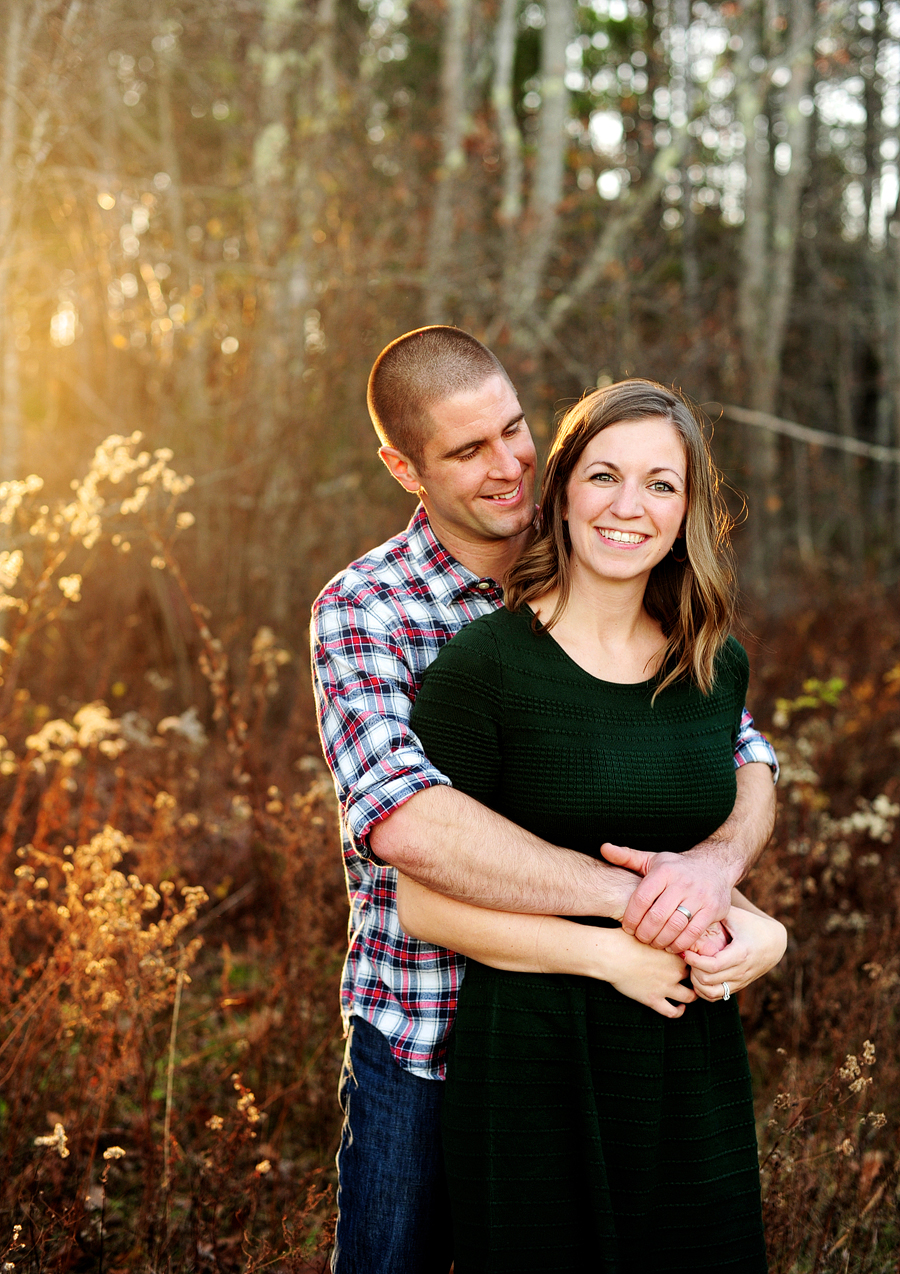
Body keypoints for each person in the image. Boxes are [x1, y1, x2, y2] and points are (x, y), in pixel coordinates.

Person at [310, 328, 779, 1274]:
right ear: (405, 467)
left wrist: (718, 875)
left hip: (618, 1023)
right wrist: (638, 912)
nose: (506, 465)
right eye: (466, 450)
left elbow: (739, 750)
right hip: (428, 1022)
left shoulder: (596, 547)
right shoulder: (369, 610)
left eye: (515, 430)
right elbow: (411, 826)